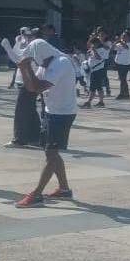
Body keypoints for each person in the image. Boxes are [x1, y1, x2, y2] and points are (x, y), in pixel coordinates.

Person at [14, 39, 78, 207]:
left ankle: (36, 194)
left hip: (62, 113)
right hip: (51, 111)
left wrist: (27, 67)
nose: (39, 64)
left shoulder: (61, 62)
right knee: (51, 152)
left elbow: (39, 86)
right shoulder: (45, 63)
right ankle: (64, 189)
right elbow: (31, 88)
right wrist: (24, 68)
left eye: (37, 60)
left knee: (51, 153)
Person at [112, 30, 130, 99]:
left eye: (124, 36)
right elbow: (113, 48)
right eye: (122, 35)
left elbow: (126, 47)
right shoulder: (120, 43)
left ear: (128, 37)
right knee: (122, 79)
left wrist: (120, 41)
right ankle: (126, 94)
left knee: (123, 79)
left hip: (125, 64)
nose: (123, 37)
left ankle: (122, 93)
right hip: (119, 63)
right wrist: (116, 42)